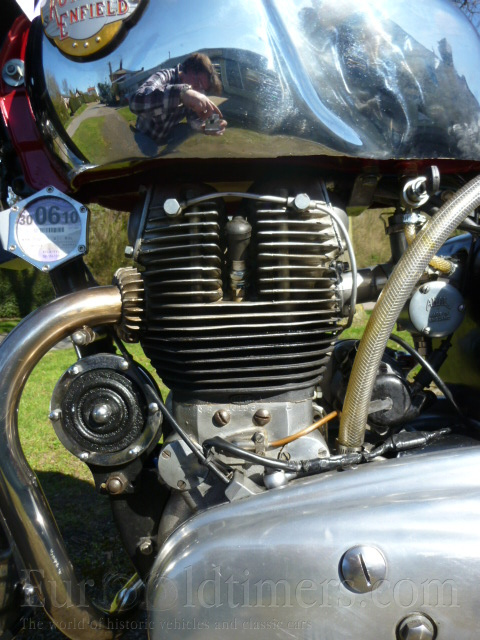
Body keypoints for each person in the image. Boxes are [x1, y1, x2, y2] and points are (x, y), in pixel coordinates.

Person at [129, 52, 227, 146]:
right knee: (147, 150)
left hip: (164, 138)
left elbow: (193, 119)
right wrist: (181, 93)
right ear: (189, 69)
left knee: (184, 130)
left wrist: (206, 127)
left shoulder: (194, 93)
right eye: (198, 82)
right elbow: (135, 102)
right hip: (143, 137)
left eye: (203, 89)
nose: (199, 92)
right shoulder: (165, 76)